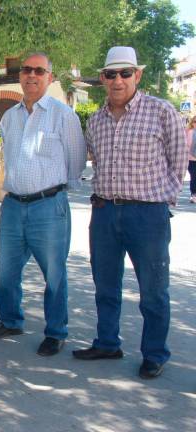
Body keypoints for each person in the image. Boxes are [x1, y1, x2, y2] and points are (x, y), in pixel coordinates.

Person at [72, 46, 188, 379]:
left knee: (153, 290)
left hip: (147, 216)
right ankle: (107, 342)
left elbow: (178, 163)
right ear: (103, 80)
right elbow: (93, 159)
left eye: (125, 73)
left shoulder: (162, 112)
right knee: (105, 286)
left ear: (137, 75)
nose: (117, 80)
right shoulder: (95, 120)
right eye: (110, 74)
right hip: (105, 213)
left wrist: (161, 202)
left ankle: (154, 353)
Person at [0, 52, 86, 357]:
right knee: (5, 272)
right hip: (13, 207)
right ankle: (11, 320)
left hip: (48, 207)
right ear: (20, 76)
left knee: (54, 274)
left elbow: (76, 162)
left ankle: (56, 332)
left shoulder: (62, 115)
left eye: (39, 71)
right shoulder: (9, 117)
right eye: (26, 70)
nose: (31, 75)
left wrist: (51, 191)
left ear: (49, 77)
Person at [187, 116, 196, 203]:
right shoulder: (189, 132)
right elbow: (186, 145)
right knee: (193, 177)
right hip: (191, 159)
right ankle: (193, 194)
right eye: (194, 121)